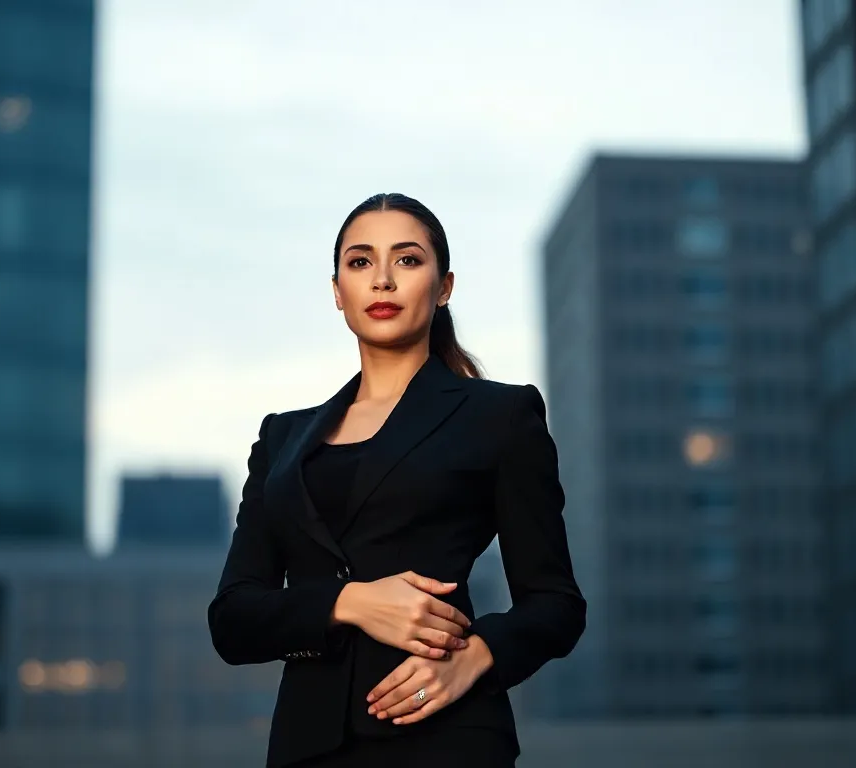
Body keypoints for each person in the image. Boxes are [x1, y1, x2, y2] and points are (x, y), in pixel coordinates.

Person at [208, 193, 586, 768]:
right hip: (306, 746)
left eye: (407, 260)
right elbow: (233, 620)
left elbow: (556, 604)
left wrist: (476, 656)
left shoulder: (501, 417)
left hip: (447, 734)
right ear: (337, 291)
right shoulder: (282, 439)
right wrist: (351, 602)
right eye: (360, 263)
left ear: (444, 286)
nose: (382, 280)